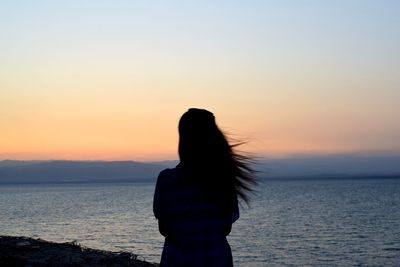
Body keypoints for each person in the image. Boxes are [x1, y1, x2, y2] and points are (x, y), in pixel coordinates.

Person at [153, 108, 257, 267]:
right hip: (216, 260)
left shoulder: (166, 179)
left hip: (176, 260)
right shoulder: (223, 179)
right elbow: (225, 228)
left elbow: (164, 229)